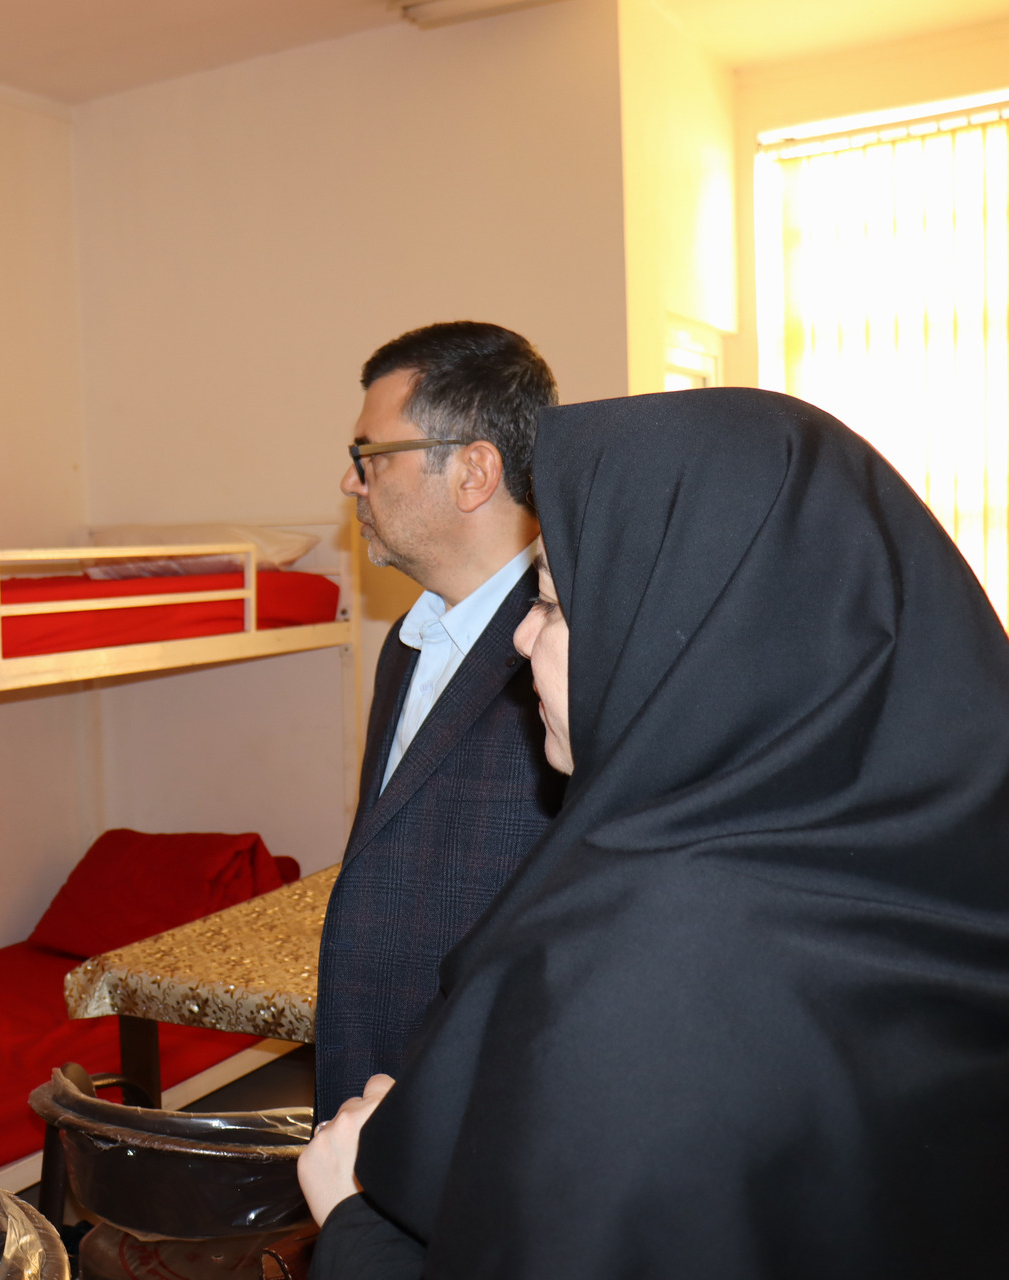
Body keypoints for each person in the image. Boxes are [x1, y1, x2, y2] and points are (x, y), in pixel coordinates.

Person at [299, 388, 1009, 1277]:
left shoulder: (645, 966)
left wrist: (355, 1221)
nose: (521, 639)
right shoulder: (924, 869)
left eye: (553, 604)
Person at [315, 321, 567, 1120]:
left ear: (473, 471)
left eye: (370, 455)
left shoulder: (569, 652)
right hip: (377, 1081)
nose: (352, 482)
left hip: (484, 1101)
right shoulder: (410, 640)